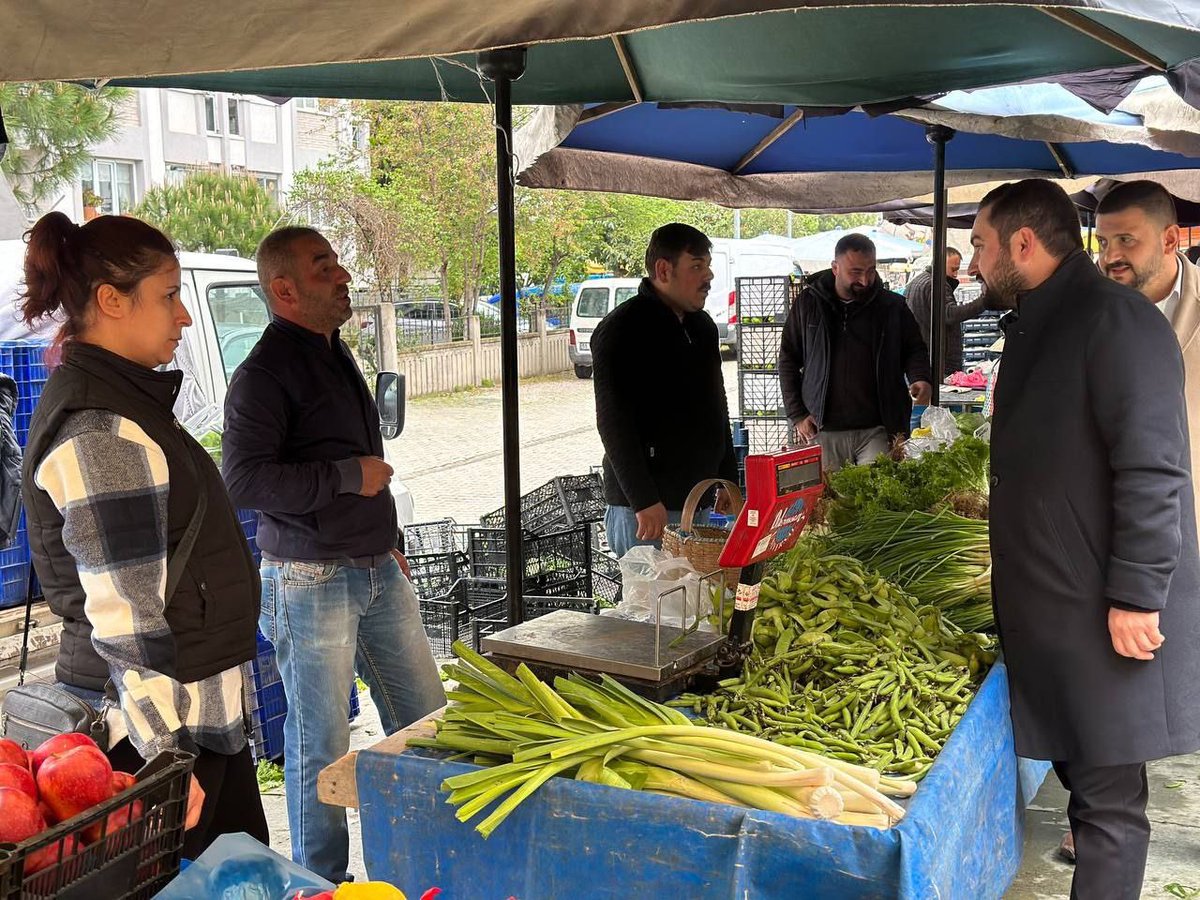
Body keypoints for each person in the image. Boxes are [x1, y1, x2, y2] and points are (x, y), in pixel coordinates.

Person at [968, 178, 1200, 900]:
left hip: (1100, 609)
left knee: (1107, 806)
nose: (973, 262)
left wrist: (1136, 592)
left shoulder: (1115, 320)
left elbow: (1154, 466)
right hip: (1059, 606)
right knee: (1087, 785)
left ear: (1024, 244)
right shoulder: (1047, 316)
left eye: (979, 245)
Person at [18, 212, 268, 858]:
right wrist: (165, 760)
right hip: (151, 738)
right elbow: (124, 612)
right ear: (111, 301)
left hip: (192, 723)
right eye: (169, 295)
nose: (183, 317)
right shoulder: (102, 431)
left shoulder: (131, 409)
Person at [222, 226, 445, 883]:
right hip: (309, 579)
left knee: (428, 721)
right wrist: (349, 477)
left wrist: (390, 539)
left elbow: (364, 461)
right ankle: (321, 882)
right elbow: (244, 481)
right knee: (320, 743)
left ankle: (426, 857)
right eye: (324, 269)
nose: (343, 275)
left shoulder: (335, 350)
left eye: (338, 263)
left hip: (377, 570)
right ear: (283, 289)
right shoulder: (263, 373)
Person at [592, 223, 738, 559]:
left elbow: (717, 406)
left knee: (694, 606)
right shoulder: (620, 330)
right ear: (663, 270)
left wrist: (726, 476)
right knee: (650, 608)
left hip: (696, 501)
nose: (709, 276)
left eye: (708, 266)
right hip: (646, 512)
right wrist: (643, 499)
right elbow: (613, 423)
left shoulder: (702, 328)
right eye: (697, 266)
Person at [778, 233, 932, 472]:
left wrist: (920, 377)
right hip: (822, 429)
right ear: (835, 268)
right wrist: (797, 414)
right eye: (856, 272)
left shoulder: (892, 307)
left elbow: (914, 348)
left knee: (875, 500)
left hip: (879, 428)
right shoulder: (808, 303)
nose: (865, 280)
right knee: (828, 505)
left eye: (871, 270)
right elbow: (788, 359)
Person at [1097, 180, 1200, 503]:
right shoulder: (1083, 311)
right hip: (1108, 519)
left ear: (1169, 239)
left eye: (1126, 240)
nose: (1110, 256)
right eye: (1103, 242)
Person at [904, 247, 992, 378]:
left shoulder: (916, 283)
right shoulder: (936, 284)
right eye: (953, 269)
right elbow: (949, 314)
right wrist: (985, 301)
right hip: (937, 361)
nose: (956, 274)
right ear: (940, 264)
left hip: (921, 358)